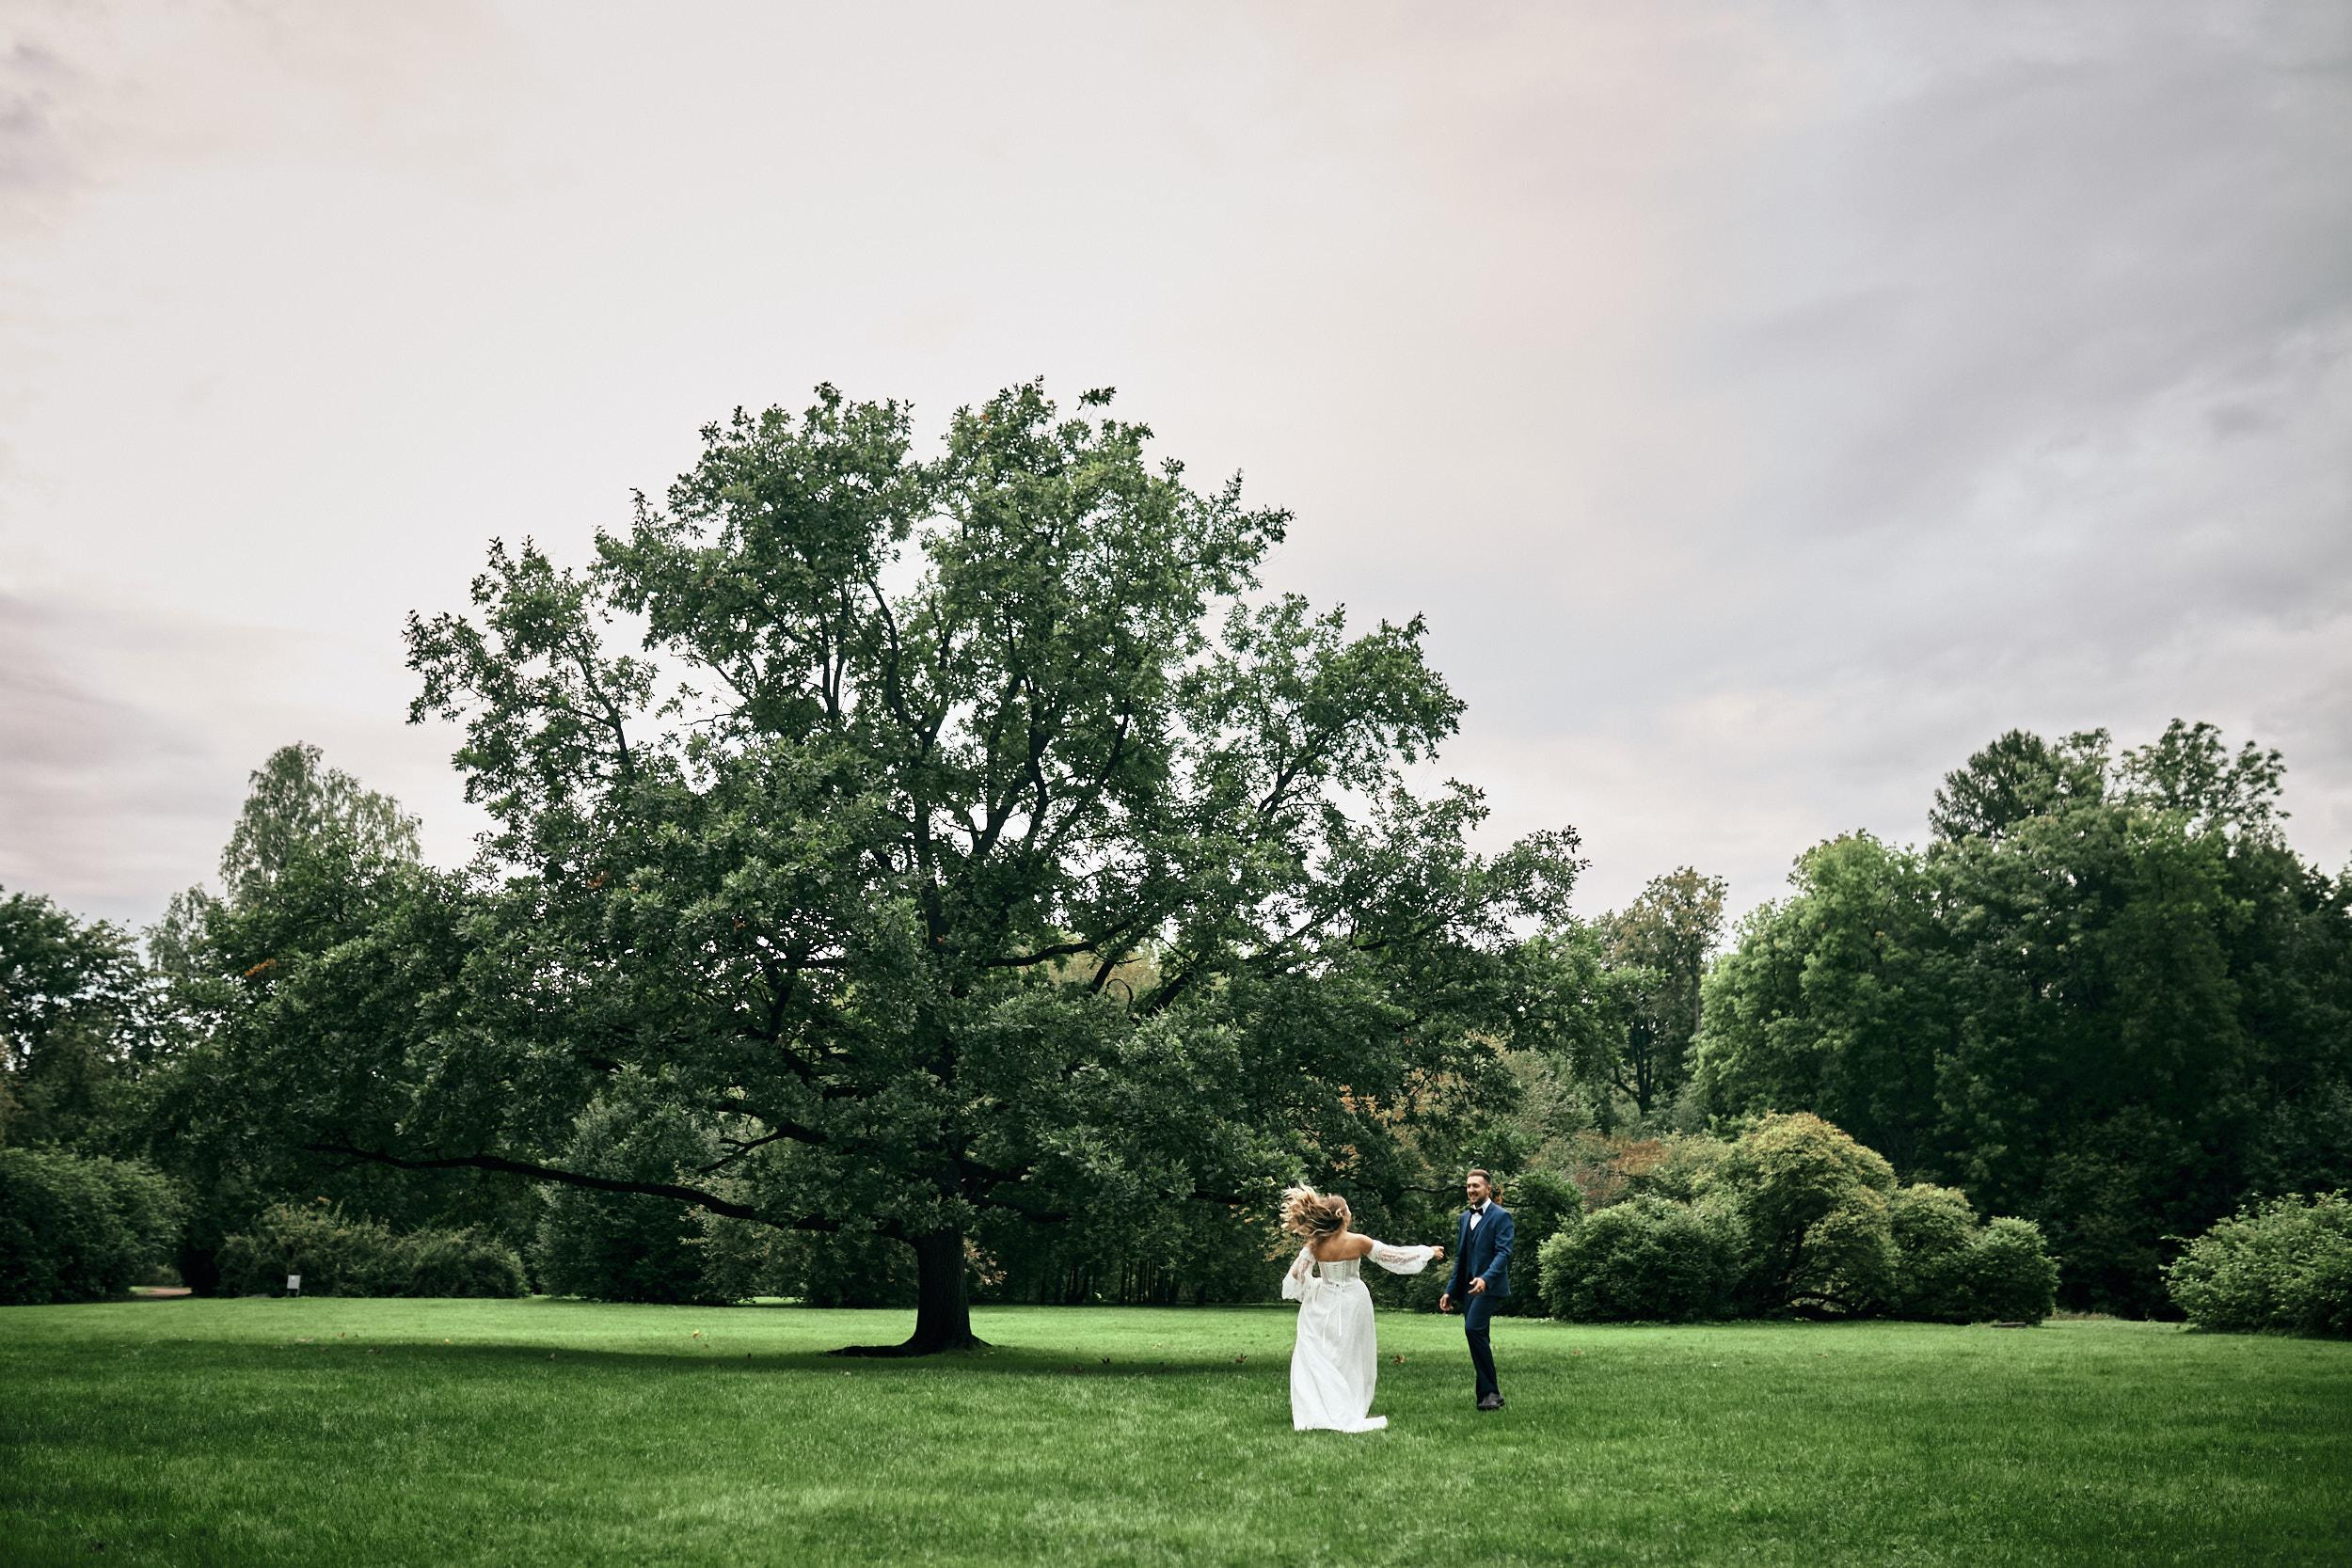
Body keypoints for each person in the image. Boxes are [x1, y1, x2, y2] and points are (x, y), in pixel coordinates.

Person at [1278, 1185, 1445, 1433]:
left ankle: (1325, 1404)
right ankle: (1347, 1403)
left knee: (1326, 1352)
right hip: (1354, 1302)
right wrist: (1426, 1252)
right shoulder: (1358, 1241)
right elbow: (1393, 1256)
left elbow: (1296, 1276)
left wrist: (1312, 1287)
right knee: (1352, 1354)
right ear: (1343, 1216)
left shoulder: (1315, 1245)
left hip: (1324, 1300)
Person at [1437, 1167, 1514, 1410]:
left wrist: (1486, 1279)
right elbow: (1461, 1258)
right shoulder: (1464, 1218)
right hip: (1468, 1289)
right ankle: (1486, 1395)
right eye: (1468, 1186)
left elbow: (1504, 1253)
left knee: (1473, 1329)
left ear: (1488, 1189)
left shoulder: (1501, 1217)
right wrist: (1450, 1290)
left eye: (1476, 1186)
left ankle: (1492, 1392)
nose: (1471, 1190)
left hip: (1489, 1287)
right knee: (1478, 1336)